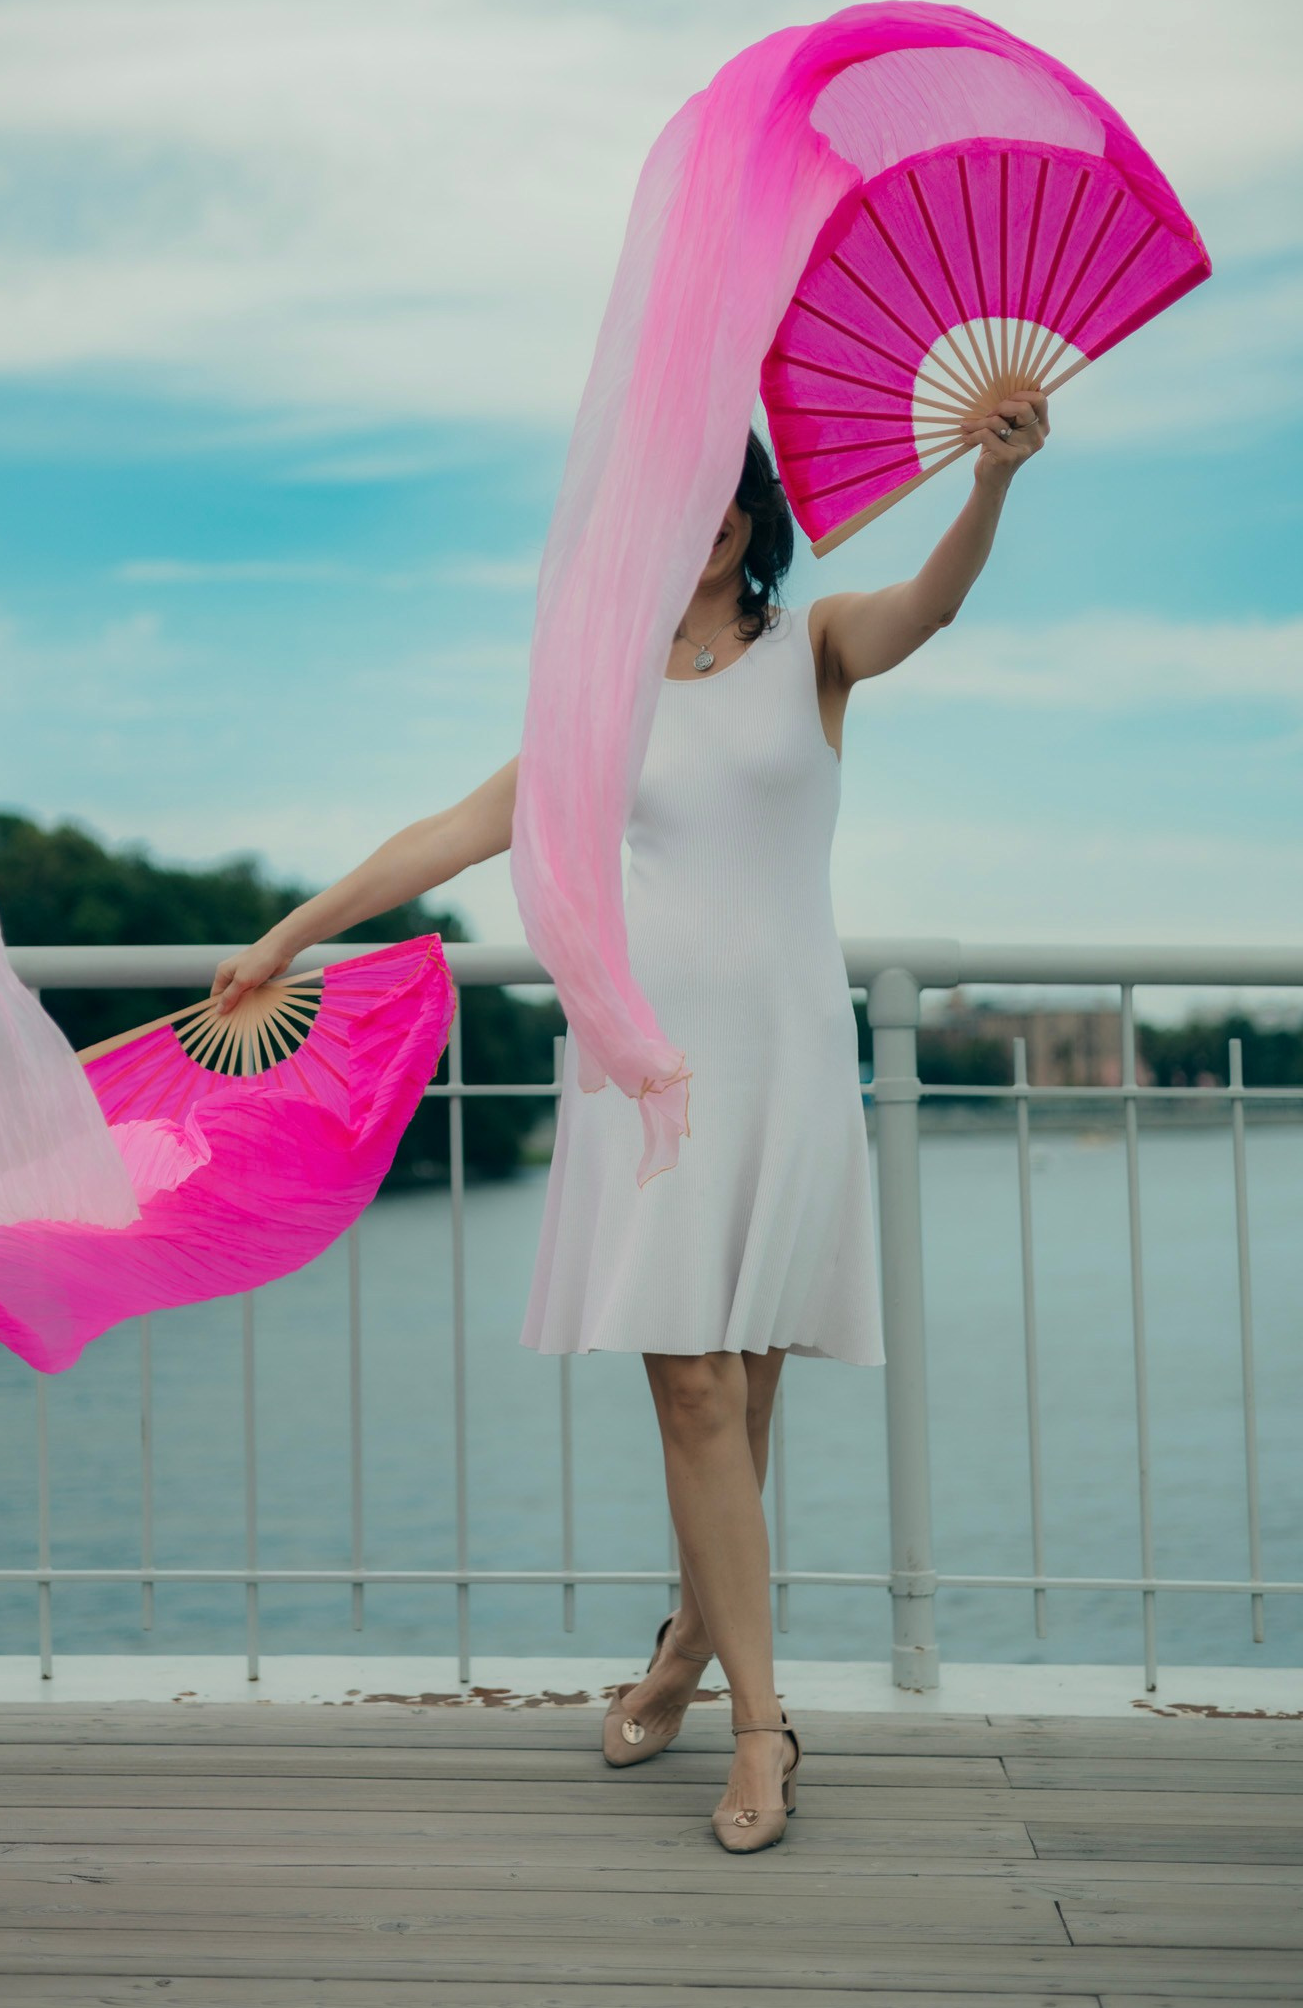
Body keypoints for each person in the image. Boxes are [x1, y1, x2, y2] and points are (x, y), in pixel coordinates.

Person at [210, 389, 1049, 1852]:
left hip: (788, 1062)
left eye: (726, 484)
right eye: (675, 488)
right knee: (696, 1392)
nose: (704, 511)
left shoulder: (814, 648)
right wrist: (288, 936)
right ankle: (764, 1727)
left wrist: (989, 485)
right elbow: (451, 833)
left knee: (751, 1393)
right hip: (651, 1076)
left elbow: (932, 605)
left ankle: (682, 1651)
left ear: (753, 508)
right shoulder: (599, 704)